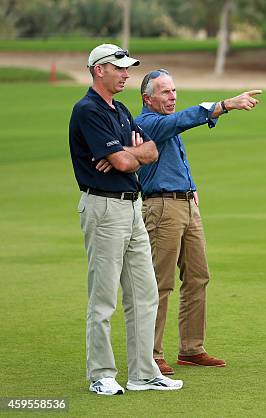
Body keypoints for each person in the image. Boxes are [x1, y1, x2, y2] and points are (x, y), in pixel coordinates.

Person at [68, 44, 183, 394]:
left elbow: (148, 151)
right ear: (98, 70)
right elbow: (120, 163)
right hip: (103, 207)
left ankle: (142, 373)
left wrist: (126, 152)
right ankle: (101, 374)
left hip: (132, 207)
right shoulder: (88, 110)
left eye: (127, 68)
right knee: (103, 298)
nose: (125, 74)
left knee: (145, 293)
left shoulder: (119, 109)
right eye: (119, 68)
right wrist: (125, 155)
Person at [135, 68, 262, 375]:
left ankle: (191, 349)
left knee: (198, 276)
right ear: (147, 98)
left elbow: (176, 153)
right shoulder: (147, 123)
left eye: (174, 90)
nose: (173, 96)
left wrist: (191, 189)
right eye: (165, 92)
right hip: (162, 207)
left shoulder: (164, 123)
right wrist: (224, 105)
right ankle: (151, 353)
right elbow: (180, 121)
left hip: (186, 204)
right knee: (159, 283)